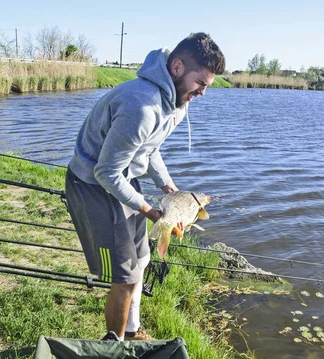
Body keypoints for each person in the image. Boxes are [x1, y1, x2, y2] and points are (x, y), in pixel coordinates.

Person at [65, 32, 225, 341]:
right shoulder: (142, 107)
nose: (203, 93)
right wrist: (151, 211)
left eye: (207, 85)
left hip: (122, 176)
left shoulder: (177, 102)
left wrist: (169, 188)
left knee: (142, 259)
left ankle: (132, 329)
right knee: (125, 275)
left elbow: (149, 149)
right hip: (92, 183)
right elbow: (106, 174)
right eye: (201, 84)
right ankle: (115, 346)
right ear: (177, 68)